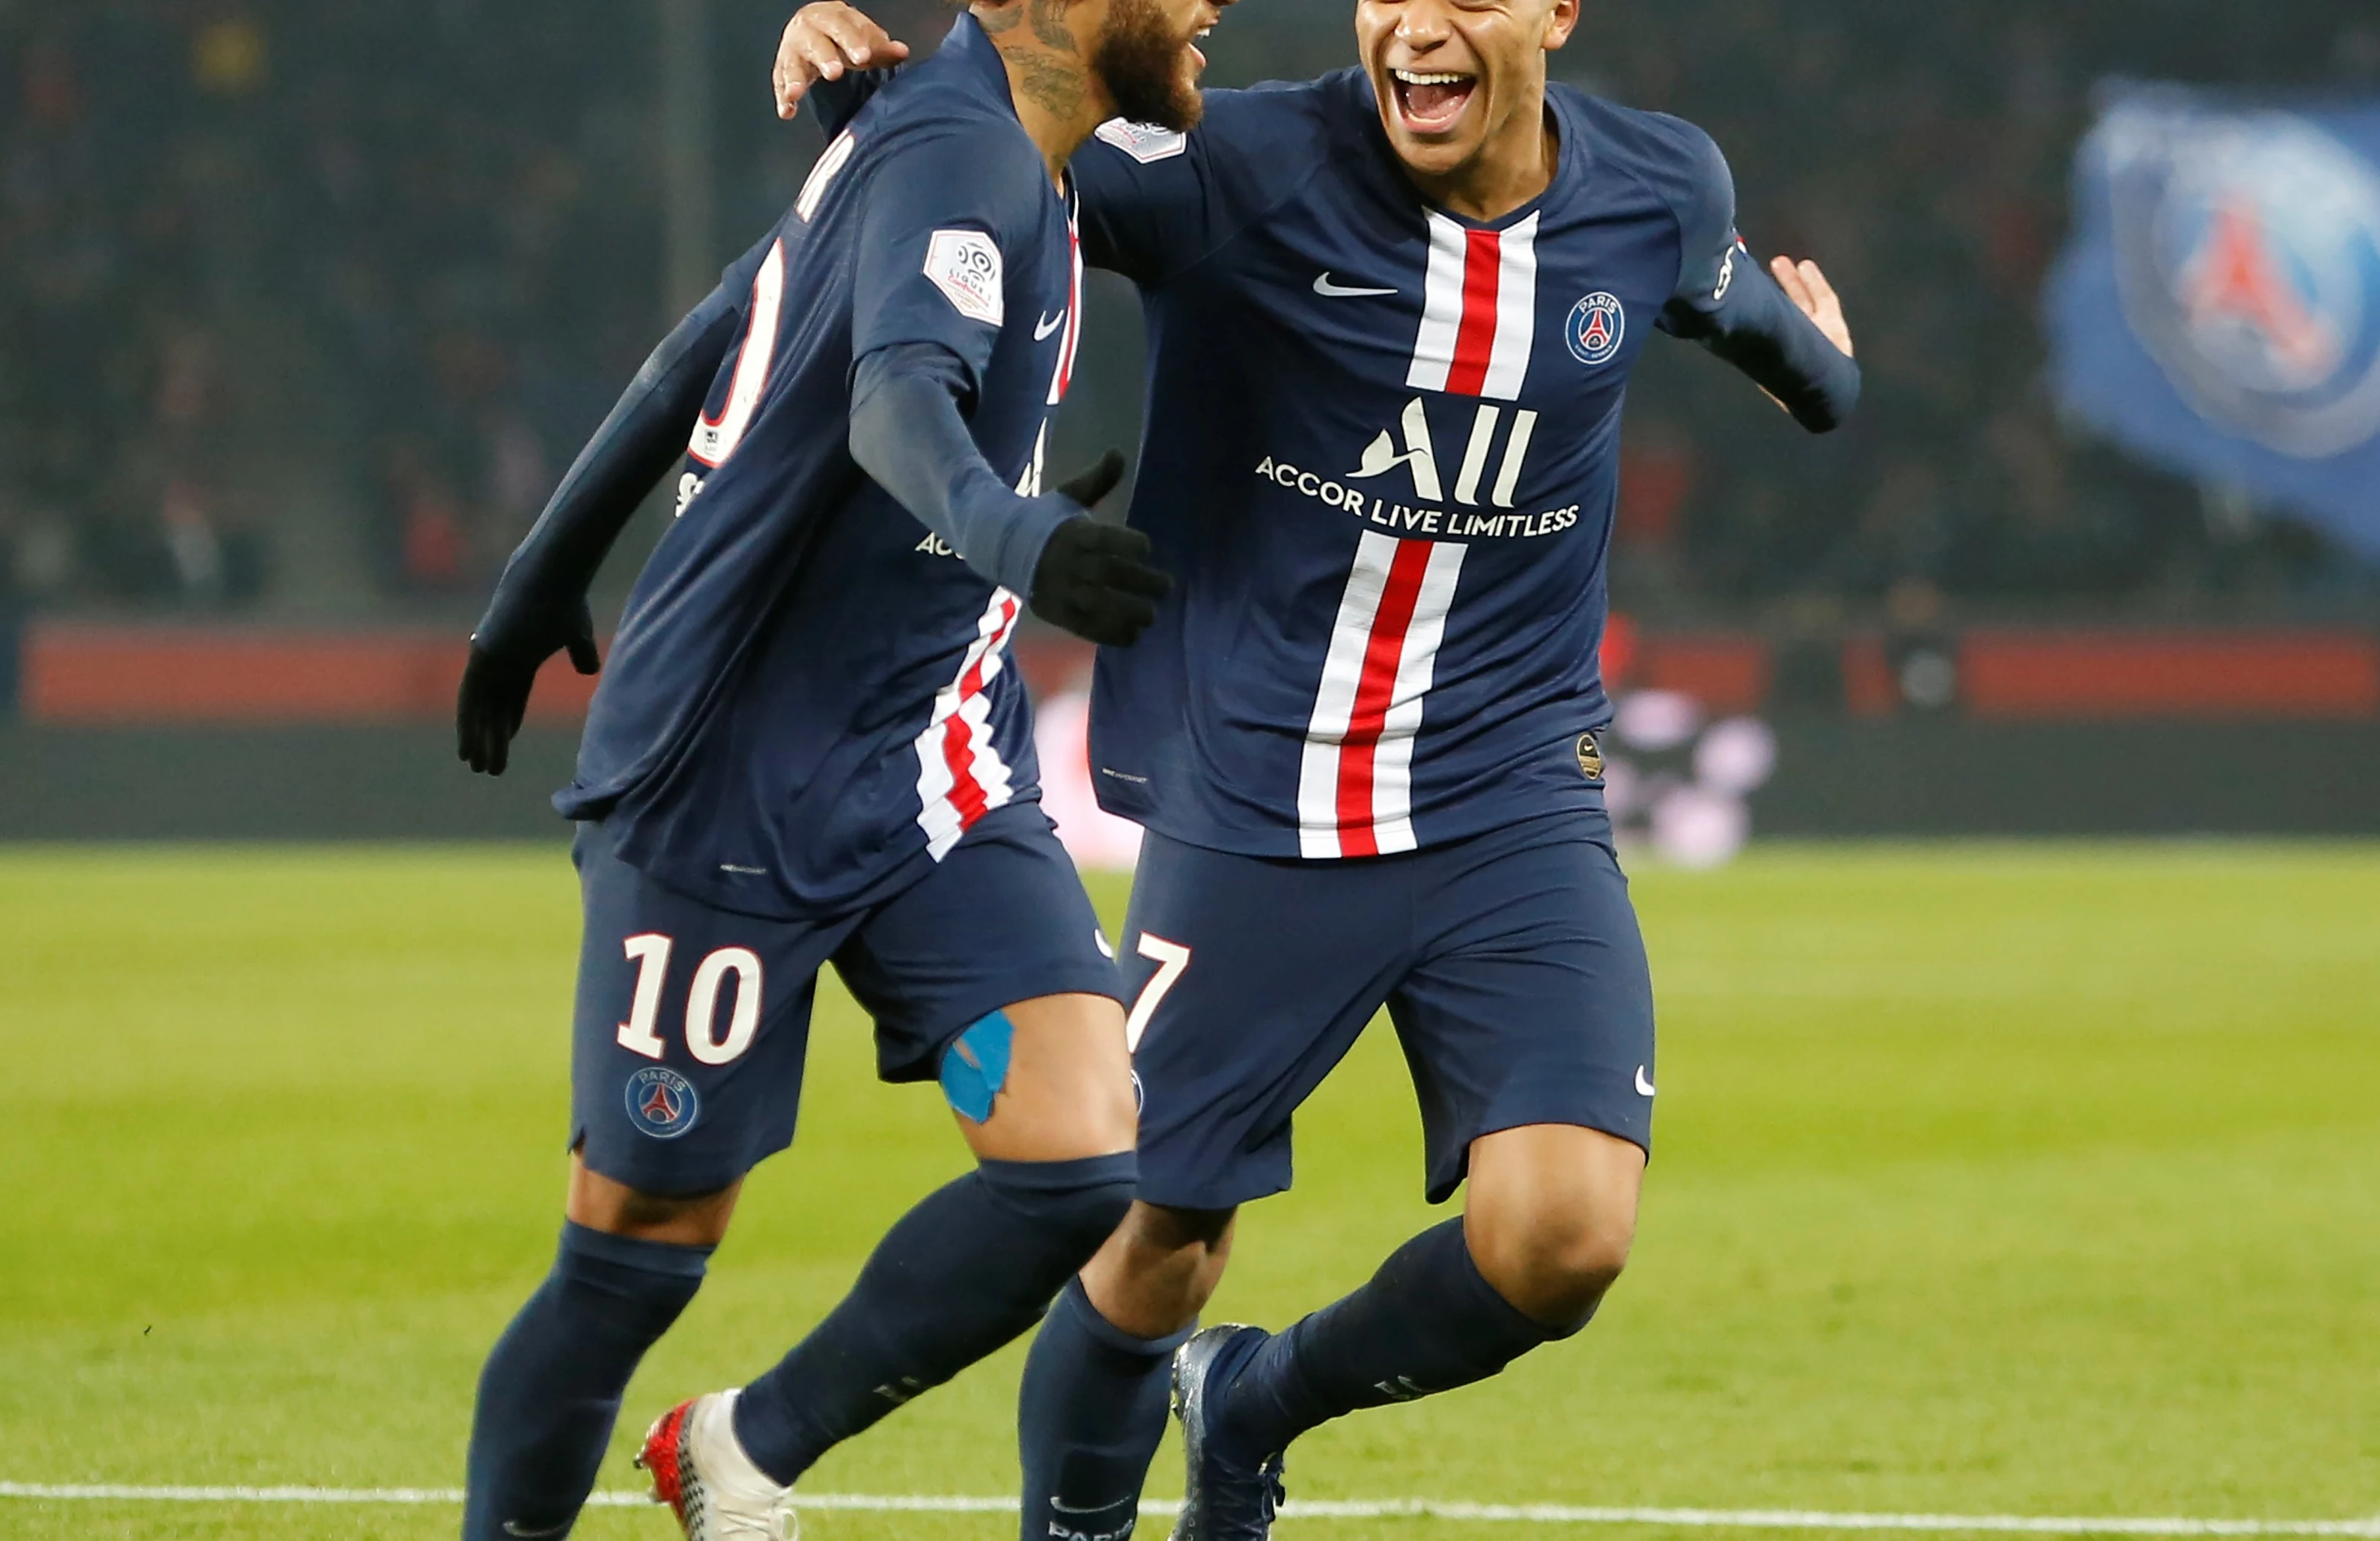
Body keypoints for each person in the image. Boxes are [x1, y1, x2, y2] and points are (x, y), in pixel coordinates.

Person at [746, 2, 1860, 1537]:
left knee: (1566, 1239)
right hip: (1257, 800)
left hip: (1510, 799)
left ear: (1553, 15)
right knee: (1155, 1239)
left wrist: (1826, 374)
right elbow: (1009, 142)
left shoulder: (1657, 188)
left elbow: (1752, 320)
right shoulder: (1241, 166)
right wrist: (875, 81)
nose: (1417, 23)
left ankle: (1254, 1402)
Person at [445, 0, 1232, 1535]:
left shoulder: (996, 141)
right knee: (635, 1256)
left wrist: (543, 573)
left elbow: (715, 337)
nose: (1211, 4)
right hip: (736, 767)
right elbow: (892, 408)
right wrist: (1022, 536)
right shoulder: (959, 150)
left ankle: (736, 1452)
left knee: (1082, 1172)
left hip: (934, 747)